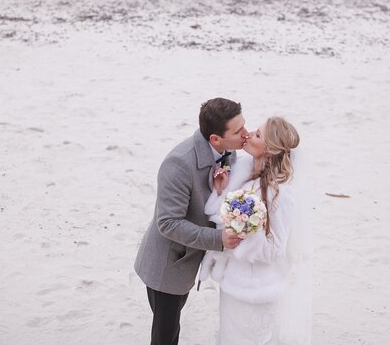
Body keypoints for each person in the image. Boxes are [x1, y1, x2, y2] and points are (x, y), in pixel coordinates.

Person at [134, 97, 249, 345]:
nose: (246, 134)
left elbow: (217, 184)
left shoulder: (227, 151)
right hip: (168, 264)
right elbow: (168, 224)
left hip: (189, 258)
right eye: (238, 130)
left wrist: (221, 189)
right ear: (215, 139)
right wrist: (219, 239)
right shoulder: (178, 164)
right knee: (166, 335)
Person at [201, 116, 312, 345]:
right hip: (231, 283)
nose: (249, 134)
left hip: (256, 292)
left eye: (258, 135)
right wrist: (221, 191)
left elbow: (275, 251)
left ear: (270, 150)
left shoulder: (280, 194)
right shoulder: (242, 168)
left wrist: (246, 232)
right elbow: (215, 214)